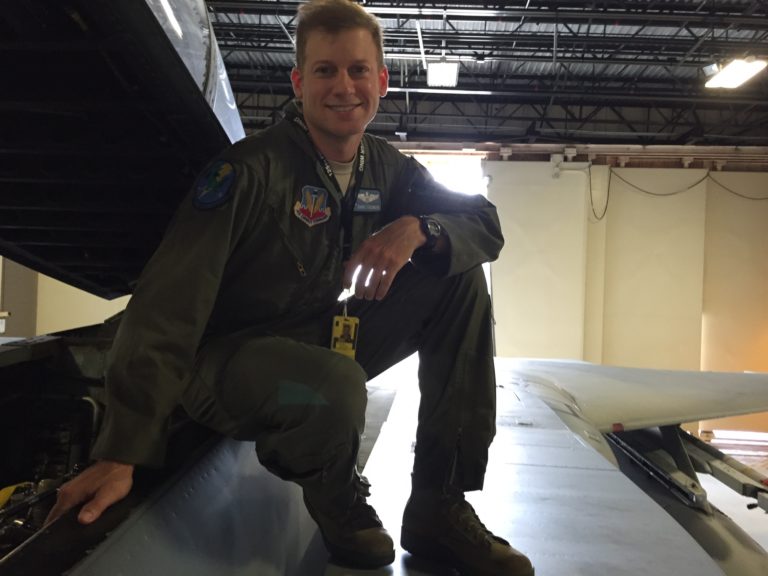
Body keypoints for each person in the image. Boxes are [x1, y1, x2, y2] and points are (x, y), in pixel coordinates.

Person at [46, 1, 534, 575]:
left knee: (460, 278)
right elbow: (165, 307)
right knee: (334, 387)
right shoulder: (247, 172)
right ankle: (338, 499)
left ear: (380, 81)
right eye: (325, 71)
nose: (343, 87)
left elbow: (484, 223)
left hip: (308, 342)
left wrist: (420, 229)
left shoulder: (387, 168)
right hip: (225, 363)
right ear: (300, 83)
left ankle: (438, 503)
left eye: (357, 70)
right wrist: (121, 450)